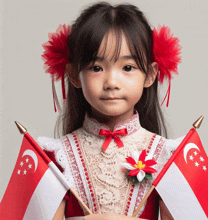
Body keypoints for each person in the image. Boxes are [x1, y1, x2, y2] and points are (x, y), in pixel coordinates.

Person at [38, 2, 183, 219]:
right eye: (96, 68)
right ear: (75, 75)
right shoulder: (53, 157)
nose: (112, 82)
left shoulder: (168, 157)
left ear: (151, 75)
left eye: (127, 68)